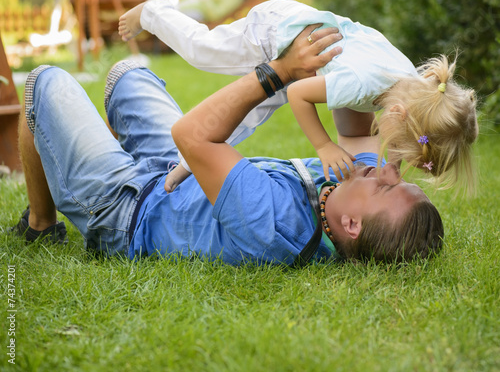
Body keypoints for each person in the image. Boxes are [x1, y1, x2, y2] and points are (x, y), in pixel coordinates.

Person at [11, 26, 443, 264]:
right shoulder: (351, 187)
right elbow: (355, 123)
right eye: (397, 173)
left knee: (45, 81)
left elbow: (191, 136)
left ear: (352, 227)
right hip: (176, 172)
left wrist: (280, 70)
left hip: (127, 209)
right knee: (128, 74)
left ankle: (41, 225)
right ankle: (93, 154)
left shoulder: (275, 226)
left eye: (388, 186)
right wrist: (384, 82)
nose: (388, 169)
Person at [118, 0, 478, 194]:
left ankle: (185, 163)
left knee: (249, 113)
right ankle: (153, 12)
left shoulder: (408, 85)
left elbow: (374, 127)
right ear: (398, 114)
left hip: (308, 56)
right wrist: (323, 147)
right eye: (398, 152)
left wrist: (389, 168)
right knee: (203, 50)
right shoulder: (361, 84)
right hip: (276, 32)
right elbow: (300, 96)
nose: (393, 158)